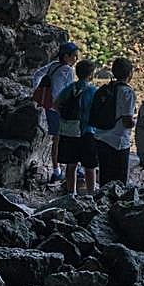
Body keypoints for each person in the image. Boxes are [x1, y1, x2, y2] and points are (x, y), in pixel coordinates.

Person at [31, 41, 79, 183]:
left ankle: (56, 169)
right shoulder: (67, 70)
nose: (76, 59)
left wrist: (36, 90)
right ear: (66, 56)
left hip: (50, 108)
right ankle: (63, 170)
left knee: (56, 140)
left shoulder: (53, 65)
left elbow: (37, 74)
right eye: (74, 56)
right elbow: (65, 90)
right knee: (65, 139)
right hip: (59, 110)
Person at [52, 58, 99, 195]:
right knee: (89, 167)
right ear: (91, 74)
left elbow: (55, 105)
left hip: (69, 131)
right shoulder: (93, 91)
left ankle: (71, 194)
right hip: (88, 132)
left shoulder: (70, 88)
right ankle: (91, 195)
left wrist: (65, 119)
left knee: (71, 165)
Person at [91, 57, 137, 186]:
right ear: (130, 74)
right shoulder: (127, 92)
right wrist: (136, 122)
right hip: (119, 142)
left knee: (104, 179)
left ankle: (102, 205)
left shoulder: (106, 89)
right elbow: (127, 121)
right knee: (119, 182)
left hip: (101, 138)